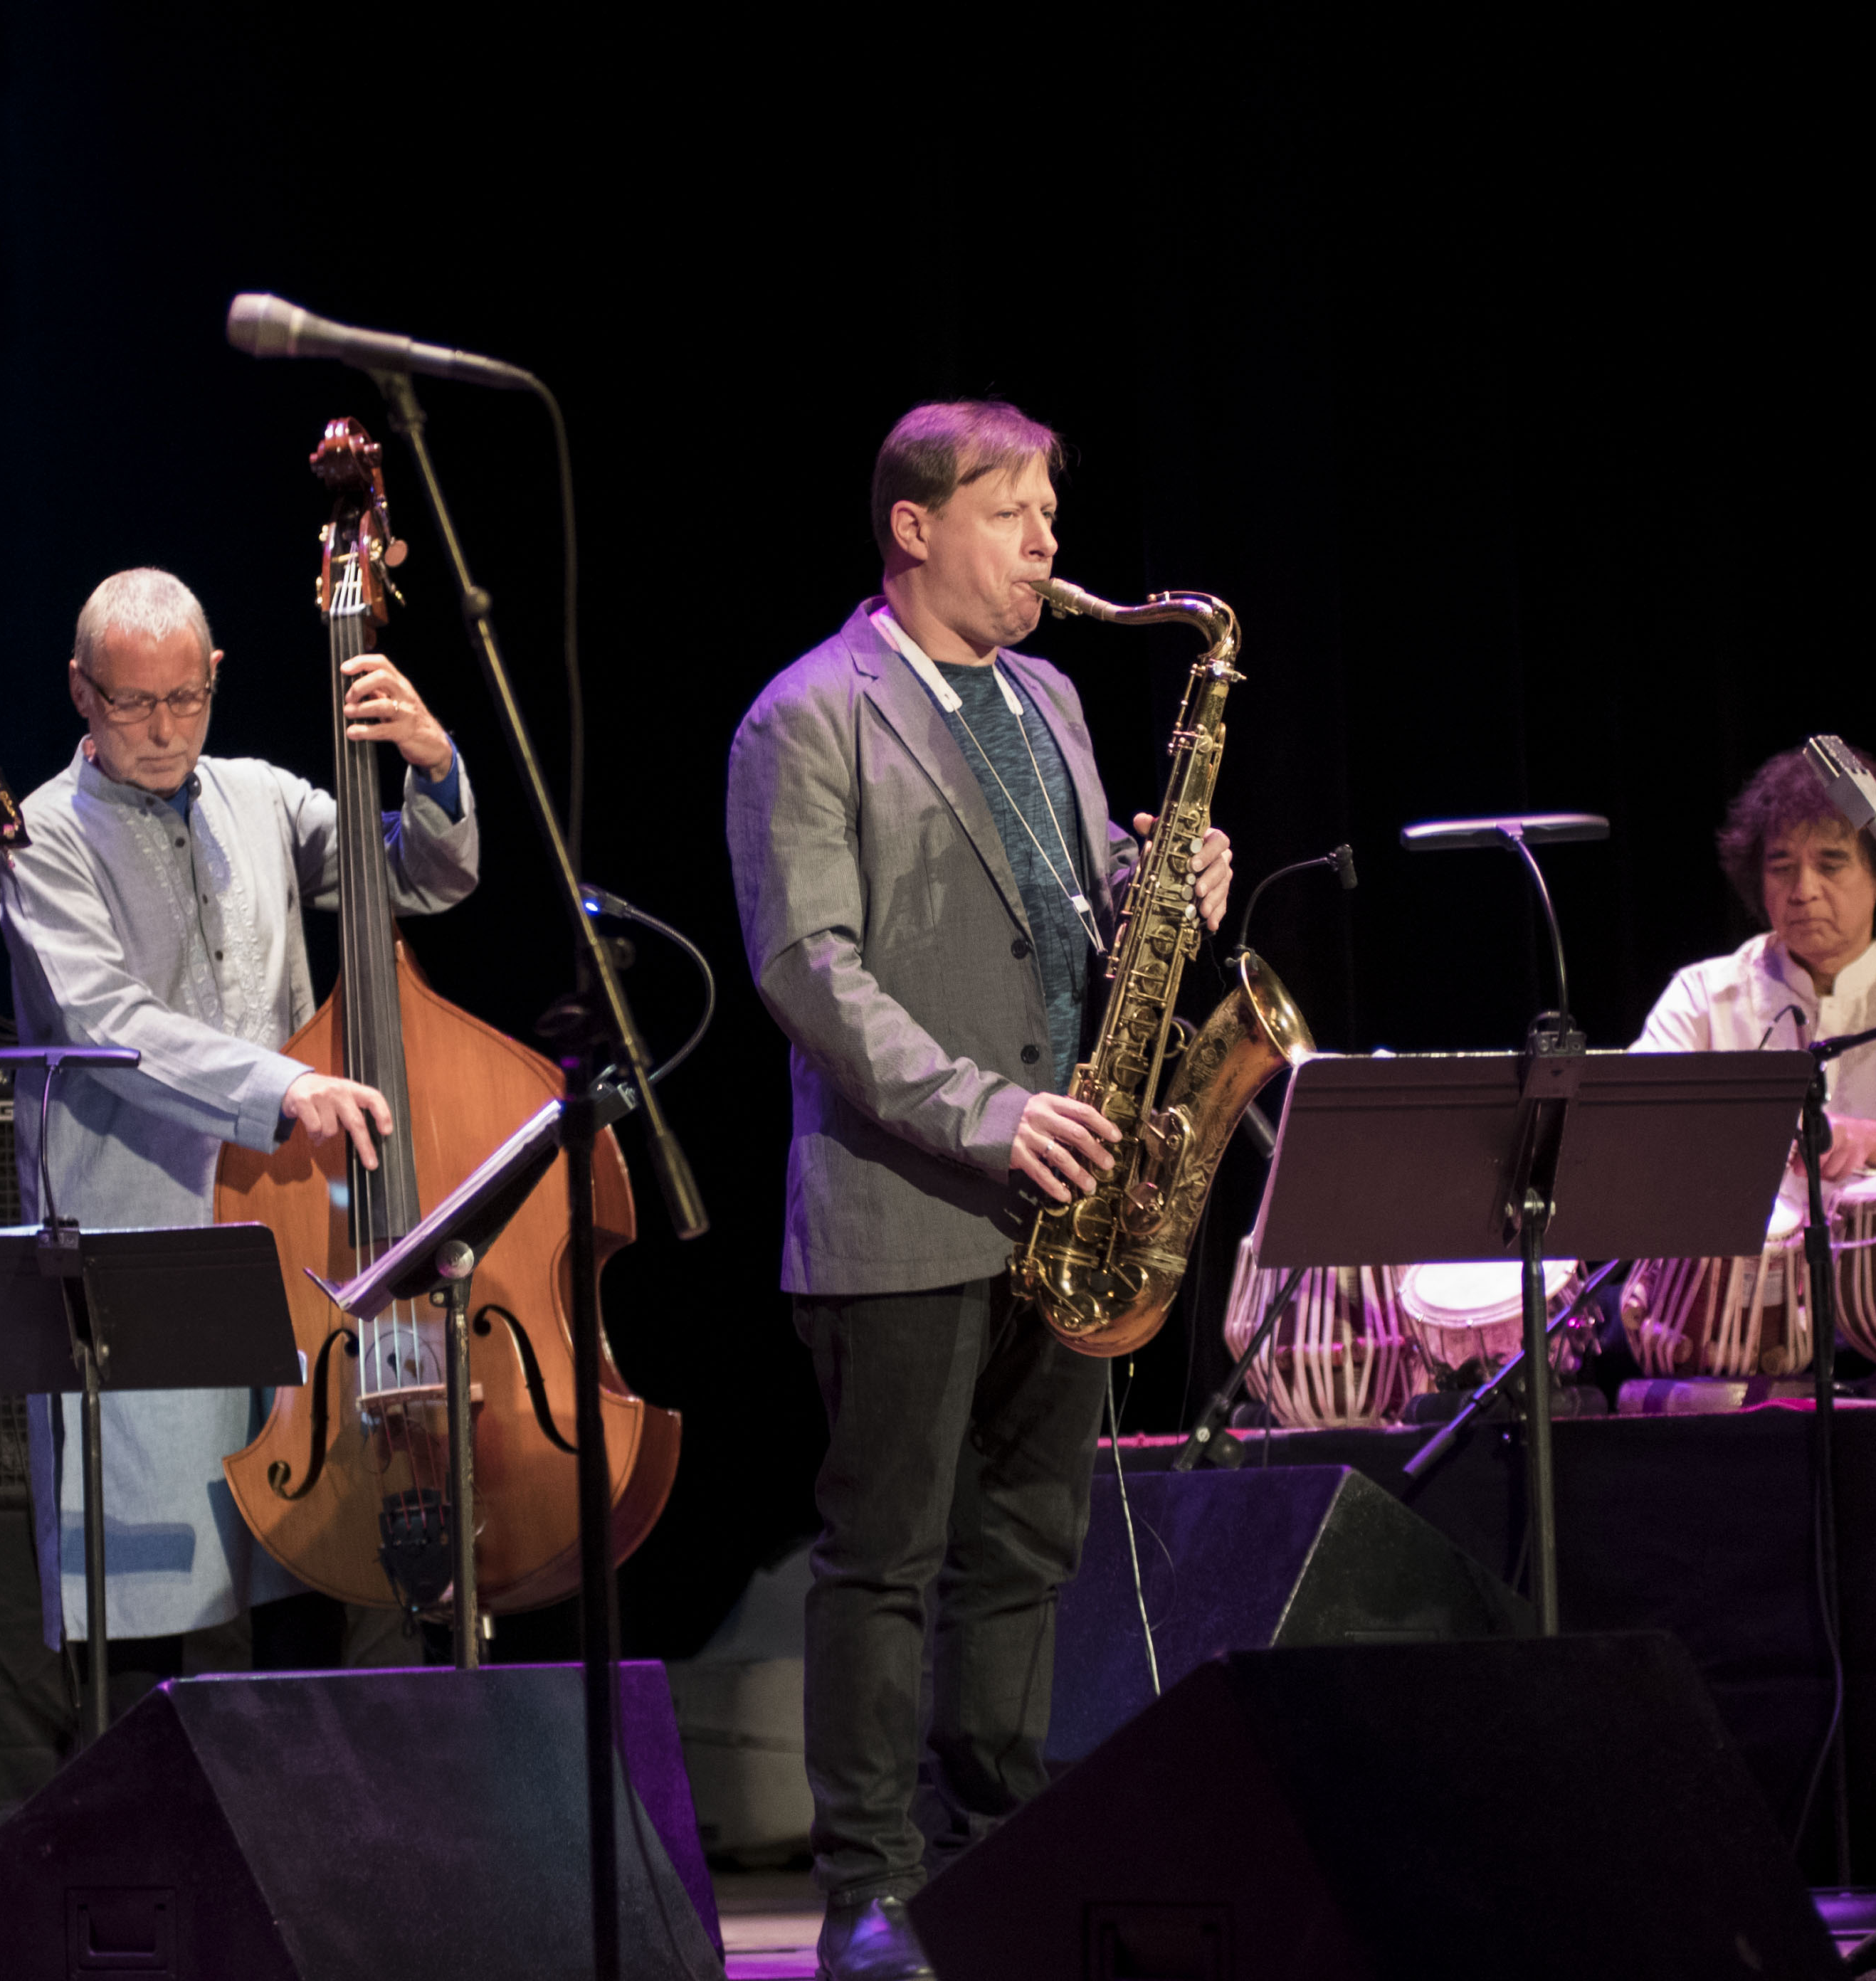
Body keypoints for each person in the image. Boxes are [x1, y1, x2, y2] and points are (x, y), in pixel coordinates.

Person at [724, 401, 1232, 1981]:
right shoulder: (806, 717)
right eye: (1015, 515)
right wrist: (990, 1115)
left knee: (1027, 1547)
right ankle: (872, 1886)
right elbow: (811, 970)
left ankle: (1000, 1840)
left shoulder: (1058, 701)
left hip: (1067, 1202)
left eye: (1051, 519)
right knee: (884, 1560)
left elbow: (1077, 921)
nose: (1047, 548)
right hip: (909, 1195)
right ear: (915, 525)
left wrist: (1172, 893)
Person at [0, 566, 476, 1702]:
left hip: (285, 1230)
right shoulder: (43, 836)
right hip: (140, 1231)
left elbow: (413, 878)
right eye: (130, 704)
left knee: (302, 1554)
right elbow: (107, 1020)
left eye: (183, 701)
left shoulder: (262, 796)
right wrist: (281, 1084)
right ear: (79, 692)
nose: (161, 730)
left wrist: (434, 762)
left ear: (215, 680)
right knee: (148, 1579)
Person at [1636, 740, 1876, 1177]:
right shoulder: (1704, 995)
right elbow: (1637, 1119)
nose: (1804, 891)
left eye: (1831, 865)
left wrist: (1874, 1138)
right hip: (1753, 1241)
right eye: (1782, 867)